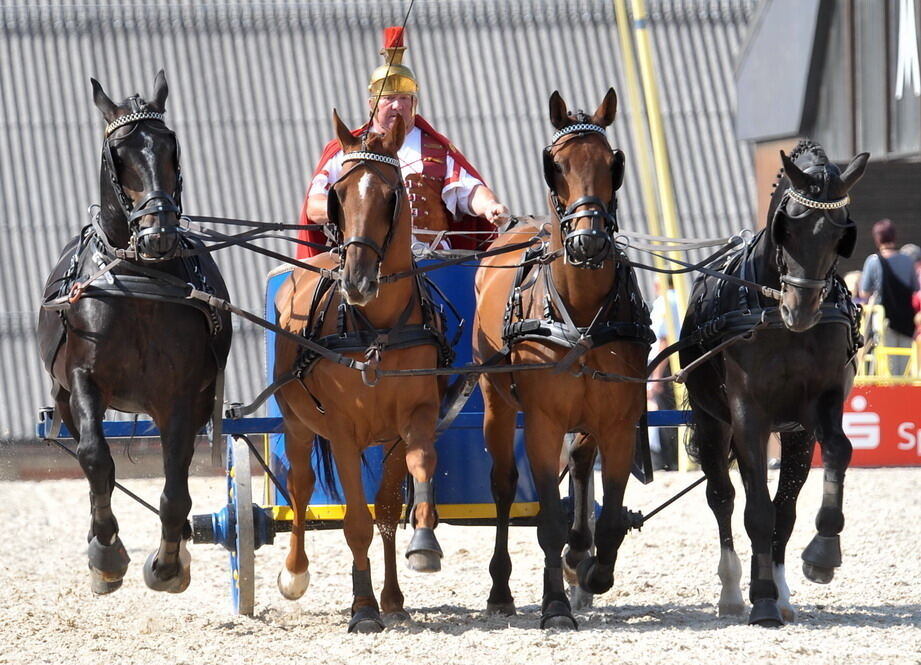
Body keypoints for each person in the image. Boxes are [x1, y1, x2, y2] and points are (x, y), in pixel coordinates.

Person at [297, 26, 508, 259]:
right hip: (366, 262)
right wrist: (351, 209)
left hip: (432, 261)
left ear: (414, 103)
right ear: (372, 104)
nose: (397, 106)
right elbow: (314, 205)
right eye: (389, 99)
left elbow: (469, 191)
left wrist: (490, 206)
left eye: (404, 99)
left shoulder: (436, 149)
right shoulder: (349, 150)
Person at [859, 219, 919, 374]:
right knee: (904, 366)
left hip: (883, 319)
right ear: (894, 236)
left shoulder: (873, 261)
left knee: (887, 366)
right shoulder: (907, 260)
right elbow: (915, 288)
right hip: (906, 320)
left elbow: (864, 292)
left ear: (877, 238)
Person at [647, 276, 681, 470]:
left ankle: (664, 460)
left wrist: (656, 376)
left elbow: (663, 339)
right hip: (675, 360)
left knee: (660, 410)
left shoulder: (664, 302)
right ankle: (672, 459)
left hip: (663, 362)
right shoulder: (677, 299)